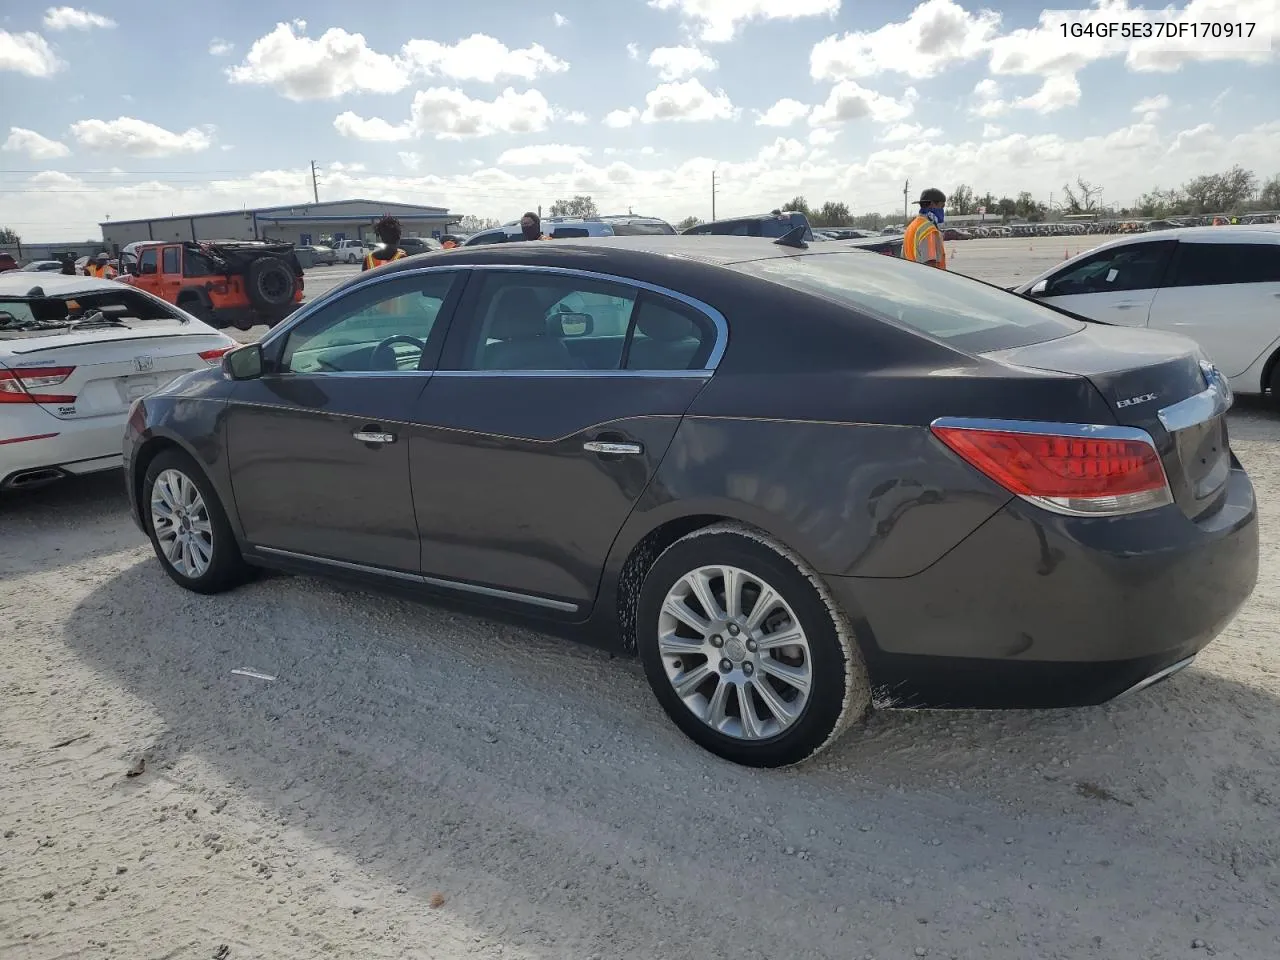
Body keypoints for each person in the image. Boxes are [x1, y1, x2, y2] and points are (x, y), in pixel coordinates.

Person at [902, 188, 948, 270]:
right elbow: (930, 265)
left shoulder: (911, 226)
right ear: (932, 205)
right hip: (926, 280)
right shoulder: (928, 230)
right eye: (942, 206)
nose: (942, 210)